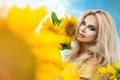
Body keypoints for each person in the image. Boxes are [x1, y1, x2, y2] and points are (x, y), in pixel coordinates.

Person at [63, 10, 118, 80]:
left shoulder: (92, 64)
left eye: (91, 28)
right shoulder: (75, 55)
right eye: (83, 23)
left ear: (100, 35)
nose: (83, 29)